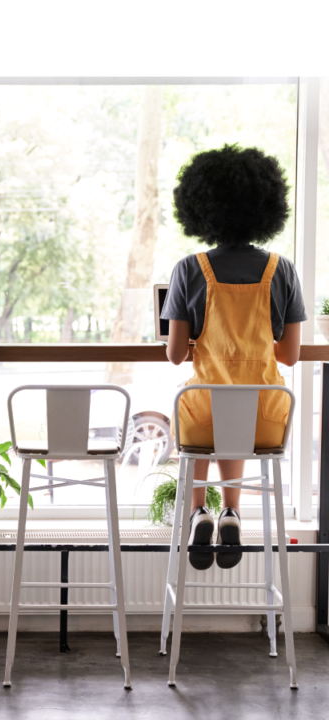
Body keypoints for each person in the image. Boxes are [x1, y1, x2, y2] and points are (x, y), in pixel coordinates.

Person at [161, 144, 306, 571]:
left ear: (201, 209)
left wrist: (202, 346)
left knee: (206, 405)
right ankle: (231, 513)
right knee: (240, 403)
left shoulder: (189, 269)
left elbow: (173, 355)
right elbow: (291, 355)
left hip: (205, 414)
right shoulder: (282, 270)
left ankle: (198, 512)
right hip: (265, 417)